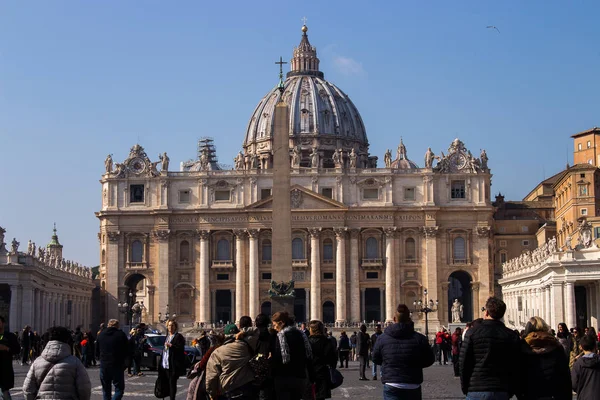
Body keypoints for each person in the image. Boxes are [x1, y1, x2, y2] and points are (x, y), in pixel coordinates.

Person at [459, 297, 521, 400]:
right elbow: (516, 364)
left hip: (476, 388)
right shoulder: (511, 335)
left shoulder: (472, 333)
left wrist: (466, 387)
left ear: (486, 312)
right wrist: (511, 390)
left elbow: (464, 362)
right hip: (501, 389)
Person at [372, 304, 435, 400]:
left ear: (393, 319)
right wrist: (415, 364)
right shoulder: (419, 338)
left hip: (391, 383)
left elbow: (375, 358)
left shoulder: (382, 338)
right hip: (412, 383)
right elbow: (430, 359)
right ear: (409, 318)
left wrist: (388, 363)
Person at [23, 326, 92, 400]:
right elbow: (84, 389)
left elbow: (28, 389)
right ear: (67, 340)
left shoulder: (37, 362)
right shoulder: (75, 362)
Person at [519, 316, 571, 400]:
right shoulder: (555, 345)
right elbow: (565, 375)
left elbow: (517, 373)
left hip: (529, 393)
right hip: (552, 393)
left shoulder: (522, 346)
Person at [206, 318, 256, 400]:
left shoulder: (218, 352)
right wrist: (243, 332)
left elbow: (211, 376)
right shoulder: (247, 345)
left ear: (224, 335)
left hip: (227, 390)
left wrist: (211, 393)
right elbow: (257, 330)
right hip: (247, 387)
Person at [269, 311, 313, 400]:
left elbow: (278, 357)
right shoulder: (302, 334)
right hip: (300, 376)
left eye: (274, 325)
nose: (274, 328)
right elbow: (308, 355)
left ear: (281, 323)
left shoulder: (280, 336)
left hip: (283, 376)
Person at [97, 319, 129, 400]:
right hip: (117, 364)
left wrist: (99, 358)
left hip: (104, 364)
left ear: (108, 325)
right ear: (117, 325)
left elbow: (96, 349)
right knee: (119, 389)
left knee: (106, 389)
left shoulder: (101, 334)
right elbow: (127, 349)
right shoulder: (121, 334)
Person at [308, 320, 337, 400]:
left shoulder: (307, 342)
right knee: (320, 397)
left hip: (309, 374)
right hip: (322, 372)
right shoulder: (327, 341)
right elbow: (333, 359)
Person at [162, 319, 186, 400]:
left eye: (172, 325)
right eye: (169, 325)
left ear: (175, 327)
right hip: (166, 364)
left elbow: (180, 349)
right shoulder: (167, 336)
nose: (170, 327)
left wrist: (171, 346)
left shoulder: (178, 337)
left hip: (173, 364)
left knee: (172, 383)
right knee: (167, 383)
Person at [571, 334, 600, 399]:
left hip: (584, 395)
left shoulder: (578, 364)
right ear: (595, 346)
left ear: (581, 347)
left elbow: (574, 383)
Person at [0, 315, 20, 400]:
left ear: (3, 323)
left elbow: (17, 350)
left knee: (5, 393)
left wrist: (6, 348)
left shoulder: (10, 336)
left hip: (5, 368)